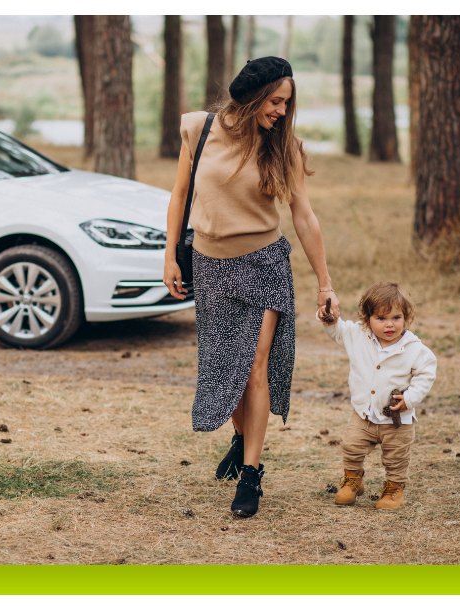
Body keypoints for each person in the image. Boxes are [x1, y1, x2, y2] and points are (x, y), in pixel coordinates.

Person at [163, 57, 339, 518]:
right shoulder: (198, 130)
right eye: (275, 101)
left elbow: (303, 215)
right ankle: (242, 438)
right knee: (231, 370)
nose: (282, 111)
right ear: (253, 95)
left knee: (255, 366)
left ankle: (251, 476)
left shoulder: (284, 147)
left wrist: (325, 285)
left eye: (286, 103)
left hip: (263, 265)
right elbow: (180, 195)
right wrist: (168, 257)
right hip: (210, 265)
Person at [318, 282, 437, 509]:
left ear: (406, 317)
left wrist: (410, 398)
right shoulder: (358, 336)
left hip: (397, 419)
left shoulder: (414, 348)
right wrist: (329, 318)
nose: (389, 325)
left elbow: (426, 374)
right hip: (364, 413)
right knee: (351, 446)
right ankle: (352, 480)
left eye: (396, 318)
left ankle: (394, 490)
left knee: (396, 457)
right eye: (381, 319)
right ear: (367, 318)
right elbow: (337, 330)